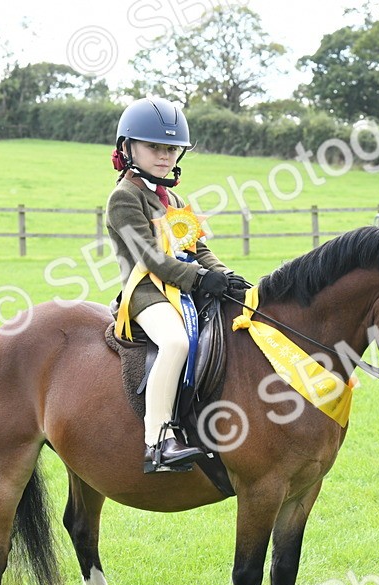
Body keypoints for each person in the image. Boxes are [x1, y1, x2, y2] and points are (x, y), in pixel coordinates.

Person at [107, 98, 248, 473]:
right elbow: (151, 258)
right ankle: (157, 442)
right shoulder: (124, 198)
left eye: (171, 149)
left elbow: (197, 248)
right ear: (127, 148)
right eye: (154, 146)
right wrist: (201, 279)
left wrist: (225, 276)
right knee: (175, 342)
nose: (164, 155)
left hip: (184, 290)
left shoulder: (175, 198)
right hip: (147, 293)